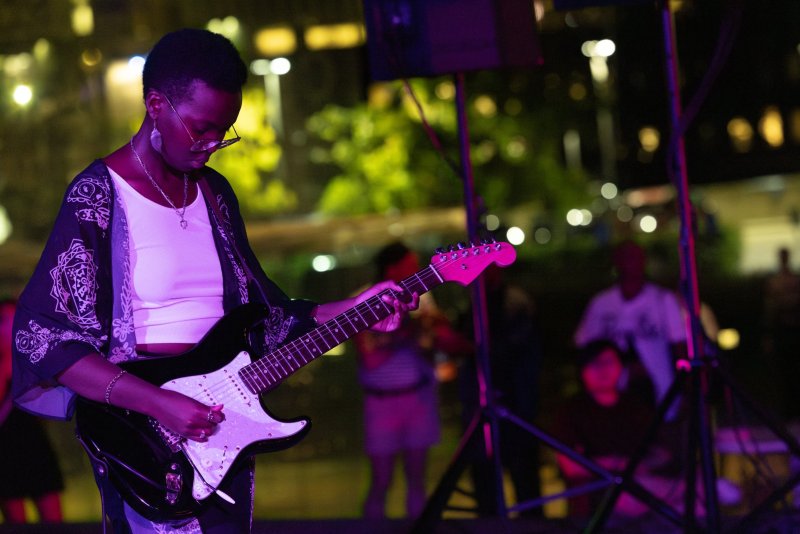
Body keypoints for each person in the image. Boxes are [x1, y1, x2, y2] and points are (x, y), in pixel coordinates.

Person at [10, 29, 417, 533]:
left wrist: (355, 306)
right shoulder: (97, 196)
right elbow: (48, 339)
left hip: (226, 415)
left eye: (225, 131)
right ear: (156, 104)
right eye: (202, 130)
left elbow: (264, 316)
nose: (213, 145)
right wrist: (161, 403)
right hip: (144, 430)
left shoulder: (215, 194)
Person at [353, 242, 470, 519]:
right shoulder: (362, 300)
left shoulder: (423, 299)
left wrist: (439, 331)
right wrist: (410, 329)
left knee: (418, 478)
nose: (417, 270)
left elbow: (440, 339)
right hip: (381, 402)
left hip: (418, 397)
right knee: (381, 480)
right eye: (411, 264)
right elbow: (370, 357)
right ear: (393, 268)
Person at [550, 340, 677, 518]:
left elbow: (661, 453)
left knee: (693, 501)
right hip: (602, 491)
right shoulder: (571, 411)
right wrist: (617, 464)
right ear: (583, 369)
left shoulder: (634, 407)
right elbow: (572, 467)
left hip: (646, 483)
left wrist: (647, 464)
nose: (603, 370)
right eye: (595, 363)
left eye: (608, 362)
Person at [574, 240, 686, 416]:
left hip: (660, 388)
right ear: (616, 262)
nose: (630, 263)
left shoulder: (663, 299)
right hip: (613, 394)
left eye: (635, 257)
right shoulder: (601, 303)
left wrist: (685, 387)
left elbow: (680, 345)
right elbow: (586, 347)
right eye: (625, 258)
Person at [1, 299, 64, 524]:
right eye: (4, 321)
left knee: (53, 519)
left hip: (33, 442)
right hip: (5, 445)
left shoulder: (31, 357)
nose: (9, 326)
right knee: (16, 519)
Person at [762, 247, 800, 419]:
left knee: (794, 371)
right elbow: (770, 308)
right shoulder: (776, 281)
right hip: (782, 332)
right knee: (783, 373)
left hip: (793, 331)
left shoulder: (792, 280)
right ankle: (786, 411)